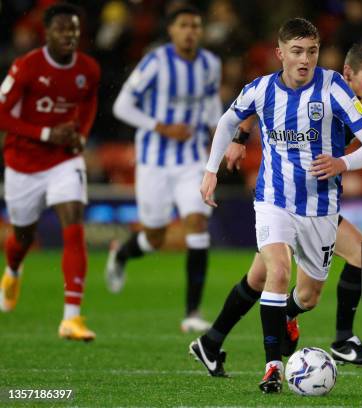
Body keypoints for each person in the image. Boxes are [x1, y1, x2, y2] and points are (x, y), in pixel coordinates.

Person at [191, 42, 362, 371]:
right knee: (355, 254)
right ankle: (342, 339)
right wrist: (240, 140)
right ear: (348, 73)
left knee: (275, 284)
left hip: (317, 200)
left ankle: (212, 342)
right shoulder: (319, 89)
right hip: (283, 196)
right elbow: (262, 101)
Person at [190, 19, 362, 393]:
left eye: (311, 51)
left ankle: (212, 341)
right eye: (296, 51)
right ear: (280, 53)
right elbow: (228, 119)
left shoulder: (333, 89)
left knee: (306, 296)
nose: (305, 60)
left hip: (321, 209)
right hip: (273, 201)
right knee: (277, 271)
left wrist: (342, 163)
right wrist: (209, 171)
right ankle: (272, 368)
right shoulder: (261, 89)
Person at [105, 5, 222, 333]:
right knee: (154, 236)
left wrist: (221, 135)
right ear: (171, 31)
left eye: (196, 25)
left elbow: (211, 105)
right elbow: (121, 106)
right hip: (153, 162)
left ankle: (192, 312)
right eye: (184, 25)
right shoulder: (155, 62)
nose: (190, 31)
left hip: (191, 161)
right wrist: (160, 126)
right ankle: (122, 253)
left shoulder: (210, 64)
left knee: (197, 225)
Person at [0, 3, 100, 341]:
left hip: (63, 161)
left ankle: (71, 317)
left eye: (73, 28)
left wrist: (81, 136)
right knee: (22, 237)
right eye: (61, 29)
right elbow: (2, 115)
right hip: (22, 163)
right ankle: (13, 270)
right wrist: (44, 133)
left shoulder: (88, 69)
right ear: (47, 33)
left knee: (73, 223)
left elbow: (88, 103)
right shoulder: (26, 67)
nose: (68, 35)